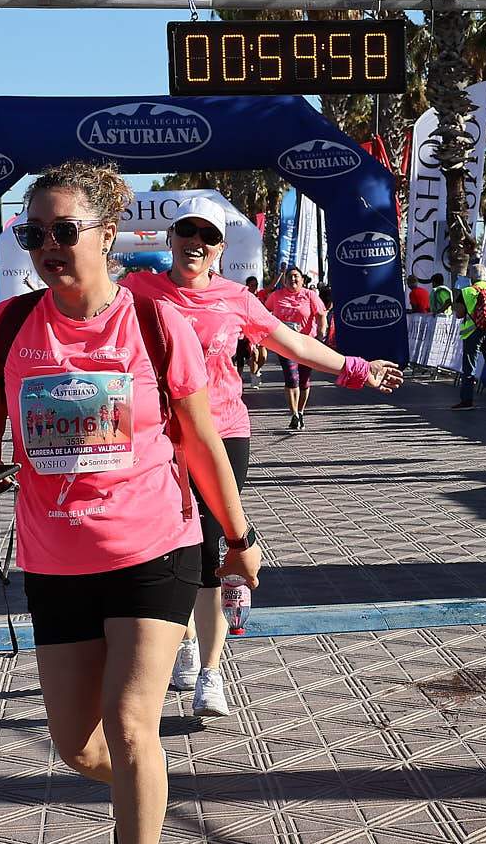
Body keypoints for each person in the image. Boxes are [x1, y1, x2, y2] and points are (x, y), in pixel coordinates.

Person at [0, 160, 261, 844]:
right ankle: (144, 789)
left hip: (152, 547)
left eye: (63, 230)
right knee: (78, 745)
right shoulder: (10, 326)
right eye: (34, 233)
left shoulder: (158, 326)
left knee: (132, 727)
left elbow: (199, 440)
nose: (48, 247)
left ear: (107, 233)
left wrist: (239, 534)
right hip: (55, 558)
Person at [125, 195, 401, 718]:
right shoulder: (136, 291)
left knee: (210, 552)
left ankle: (210, 672)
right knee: (166, 550)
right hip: (156, 436)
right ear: (170, 239)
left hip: (223, 433)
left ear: (221, 249)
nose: (196, 244)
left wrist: (356, 369)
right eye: (187, 232)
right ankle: (184, 639)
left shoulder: (236, 298)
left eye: (207, 237)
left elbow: (293, 344)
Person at [262, 268, 327, 429]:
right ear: (284, 280)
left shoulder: (310, 295)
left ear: (302, 280)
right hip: (286, 344)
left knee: (304, 381)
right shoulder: (276, 296)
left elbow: (321, 314)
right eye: (289, 277)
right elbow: (264, 311)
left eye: (296, 276)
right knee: (291, 378)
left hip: (307, 343)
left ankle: (301, 411)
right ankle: (294, 415)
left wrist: (321, 334)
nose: (293, 279)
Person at [451, 260, 486, 411]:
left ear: (471, 277)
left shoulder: (467, 291)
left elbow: (460, 314)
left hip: (472, 333)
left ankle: (467, 401)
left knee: (469, 368)